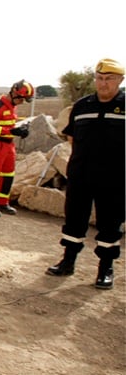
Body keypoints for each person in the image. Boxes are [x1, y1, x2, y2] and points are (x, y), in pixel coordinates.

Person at [46, 58, 125, 290]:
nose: (103, 83)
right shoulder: (82, 106)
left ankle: (105, 269)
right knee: (74, 220)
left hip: (115, 178)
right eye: (99, 78)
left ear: (120, 80)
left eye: (109, 79)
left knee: (110, 224)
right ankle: (68, 261)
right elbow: (72, 138)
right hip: (81, 175)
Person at [0, 80, 35, 217]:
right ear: (14, 93)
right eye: (22, 98)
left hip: (9, 145)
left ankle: (3, 203)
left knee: (9, 174)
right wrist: (11, 131)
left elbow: (9, 126)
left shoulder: (12, 107)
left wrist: (20, 131)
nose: (22, 102)